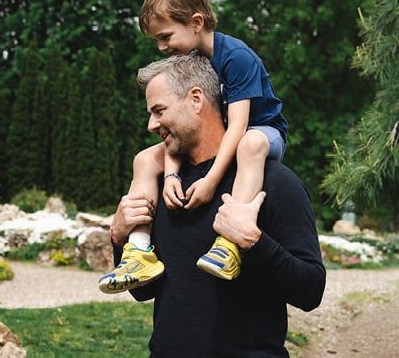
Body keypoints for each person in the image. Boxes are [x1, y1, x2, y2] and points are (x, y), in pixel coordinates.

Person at [108, 53, 324, 356]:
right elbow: (144, 291)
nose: (151, 124)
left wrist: (253, 242)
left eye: (159, 111)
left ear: (196, 99)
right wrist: (119, 235)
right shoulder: (159, 185)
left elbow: (311, 290)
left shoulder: (274, 181)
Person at [99, 0, 288, 292]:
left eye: (166, 36)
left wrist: (211, 180)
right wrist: (172, 177)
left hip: (262, 131)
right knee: (145, 159)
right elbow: (181, 129)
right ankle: (139, 250)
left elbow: (239, 126)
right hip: (228, 135)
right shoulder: (192, 63)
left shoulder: (235, 56)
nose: (162, 47)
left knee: (250, 144)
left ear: (196, 22)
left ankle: (229, 243)